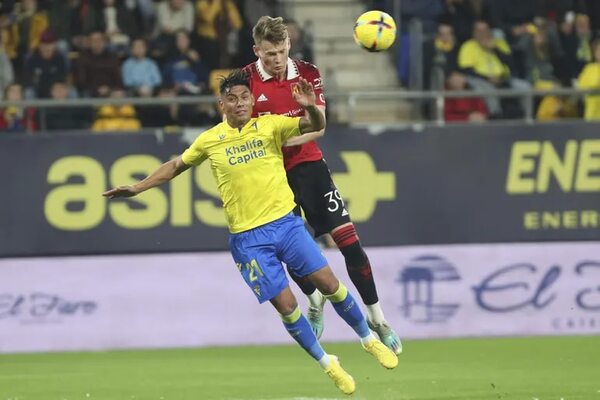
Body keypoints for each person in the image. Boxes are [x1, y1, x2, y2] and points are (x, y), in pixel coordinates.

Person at [103, 70, 398, 394]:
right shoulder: (210, 140)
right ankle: (327, 363)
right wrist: (138, 187)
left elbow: (313, 126)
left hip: (287, 225)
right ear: (222, 104)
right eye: (233, 98)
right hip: (248, 241)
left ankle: (368, 339)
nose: (240, 103)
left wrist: (310, 106)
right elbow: (176, 165)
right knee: (286, 307)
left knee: (329, 283)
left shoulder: (269, 125)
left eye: (245, 97)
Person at [241, 16, 402, 354]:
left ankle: (379, 319)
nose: (276, 59)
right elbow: (242, 134)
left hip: (309, 167)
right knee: (289, 251)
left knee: (350, 244)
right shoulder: (244, 81)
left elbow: (320, 126)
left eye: (281, 51)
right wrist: (282, 137)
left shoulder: (308, 73)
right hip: (270, 175)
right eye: (269, 53)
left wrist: (294, 126)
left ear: (288, 46)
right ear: (257, 50)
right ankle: (315, 300)